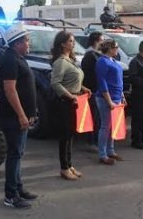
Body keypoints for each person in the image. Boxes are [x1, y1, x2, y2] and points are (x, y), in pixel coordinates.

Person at [0, 22, 37, 209]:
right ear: (17, 43)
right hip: (12, 117)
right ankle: (11, 196)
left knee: (18, 154)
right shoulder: (10, 60)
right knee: (14, 155)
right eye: (26, 40)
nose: (29, 44)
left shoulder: (18, 57)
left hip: (20, 116)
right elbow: (10, 90)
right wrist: (21, 115)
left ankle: (19, 188)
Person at [51, 31, 91, 180]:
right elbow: (56, 83)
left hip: (75, 102)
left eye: (73, 41)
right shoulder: (60, 62)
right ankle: (64, 167)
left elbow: (72, 80)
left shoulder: (70, 60)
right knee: (65, 136)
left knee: (70, 135)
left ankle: (69, 165)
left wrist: (82, 88)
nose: (73, 44)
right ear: (62, 44)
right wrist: (70, 95)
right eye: (71, 41)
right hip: (65, 103)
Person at [96, 39, 125, 164]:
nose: (117, 49)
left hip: (116, 97)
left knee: (112, 126)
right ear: (110, 48)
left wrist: (122, 96)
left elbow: (119, 81)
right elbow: (102, 82)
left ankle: (110, 150)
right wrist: (109, 101)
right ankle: (103, 154)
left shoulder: (113, 61)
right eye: (116, 47)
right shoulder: (102, 61)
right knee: (105, 126)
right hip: (106, 98)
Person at [81, 32, 104, 151]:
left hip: (98, 90)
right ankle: (91, 141)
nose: (103, 43)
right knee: (94, 117)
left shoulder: (96, 55)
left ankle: (96, 140)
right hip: (92, 90)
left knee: (98, 117)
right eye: (101, 40)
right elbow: (91, 75)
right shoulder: (90, 56)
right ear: (95, 41)